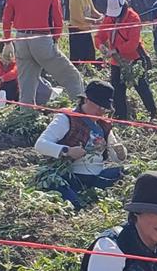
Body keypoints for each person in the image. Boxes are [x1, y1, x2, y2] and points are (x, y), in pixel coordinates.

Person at [33, 81, 127, 209]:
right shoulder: (67, 119)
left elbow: (116, 158)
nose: (101, 111)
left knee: (125, 172)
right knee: (66, 195)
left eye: (104, 108)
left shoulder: (103, 125)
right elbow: (40, 144)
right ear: (86, 100)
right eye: (98, 106)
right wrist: (67, 151)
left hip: (97, 177)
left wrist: (120, 152)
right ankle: (77, 203)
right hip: (71, 176)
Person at [2, 0, 85, 106]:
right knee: (71, 76)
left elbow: (6, 18)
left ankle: (26, 115)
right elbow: (58, 20)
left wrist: (8, 41)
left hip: (20, 39)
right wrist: (55, 40)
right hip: (42, 39)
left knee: (26, 84)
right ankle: (81, 110)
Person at [96, 0, 157, 122]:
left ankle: (153, 113)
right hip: (116, 60)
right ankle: (121, 117)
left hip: (134, 58)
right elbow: (100, 35)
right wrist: (101, 46)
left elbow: (133, 43)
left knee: (141, 86)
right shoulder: (110, 18)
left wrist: (116, 50)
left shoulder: (133, 18)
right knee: (117, 89)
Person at [68, 0, 101, 65]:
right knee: (77, 58)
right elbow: (78, 17)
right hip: (76, 31)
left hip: (86, 30)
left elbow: (92, 10)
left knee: (90, 56)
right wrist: (95, 21)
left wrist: (101, 16)